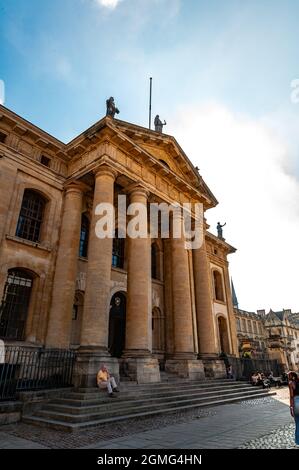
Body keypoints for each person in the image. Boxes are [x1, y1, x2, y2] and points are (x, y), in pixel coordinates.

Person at [288, 371, 299, 445]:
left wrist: (291, 407)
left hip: (296, 403)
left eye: (289, 376)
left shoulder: (291, 383)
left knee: (298, 423)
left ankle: (298, 441)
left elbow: (291, 396)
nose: (288, 377)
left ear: (292, 376)